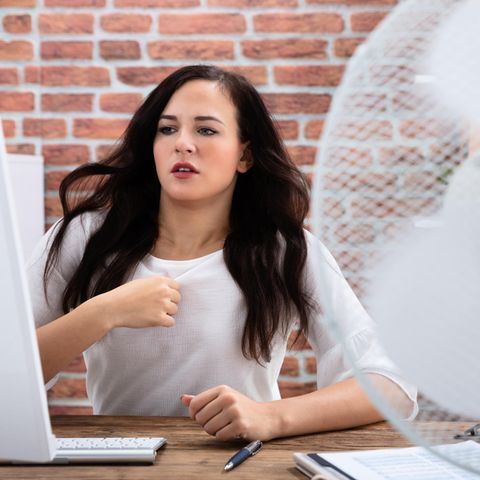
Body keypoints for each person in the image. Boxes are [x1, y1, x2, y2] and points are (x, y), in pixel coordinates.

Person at [29, 64, 416, 442]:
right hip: (121, 467)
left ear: (244, 156)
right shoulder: (84, 238)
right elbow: (8, 372)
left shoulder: (285, 251)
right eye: (167, 129)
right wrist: (101, 313)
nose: (182, 142)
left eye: (206, 130)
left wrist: (272, 417)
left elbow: (392, 386)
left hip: (244, 464)